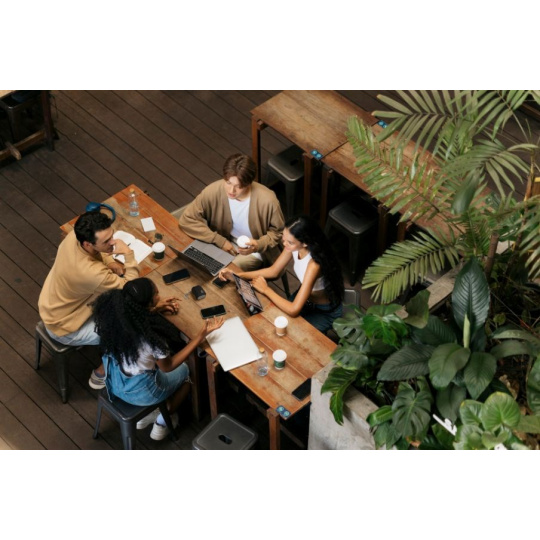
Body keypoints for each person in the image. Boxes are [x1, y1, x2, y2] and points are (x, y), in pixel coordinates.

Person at [93, 277, 224, 440]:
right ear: (147, 302)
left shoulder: (116, 322)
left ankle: (148, 413)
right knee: (188, 371)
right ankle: (163, 418)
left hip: (116, 383)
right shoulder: (152, 342)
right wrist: (199, 337)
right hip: (143, 392)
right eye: (156, 294)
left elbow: (136, 319)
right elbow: (168, 367)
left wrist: (153, 309)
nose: (159, 295)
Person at [38, 211, 140, 390]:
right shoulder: (91, 273)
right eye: (106, 242)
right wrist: (129, 255)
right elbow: (130, 287)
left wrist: (109, 260)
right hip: (65, 326)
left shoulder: (74, 237)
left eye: (112, 236)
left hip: (53, 306)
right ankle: (101, 374)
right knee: (131, 330)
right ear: (88, 243)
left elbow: (98, 254)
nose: (113, 242)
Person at [220, 215, 344, 334]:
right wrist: (238, 275)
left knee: (291, 334)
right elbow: (274, 271)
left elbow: (294, 309)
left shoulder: (313, 265)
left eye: (290, 242)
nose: (284, 244)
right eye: (284, 238)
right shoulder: (294, 246)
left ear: (305, 243)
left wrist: (266, 289)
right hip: (305, 300)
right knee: (275, 323)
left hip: (323, 311)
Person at [178, 153, 285, 271]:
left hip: (255, 250)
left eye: (238, 186)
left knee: (224, 271)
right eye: (228, 183)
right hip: (223, 240)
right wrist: (219, 241)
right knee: (195, 260)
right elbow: (187, 219)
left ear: (249, 183)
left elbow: (278, 232)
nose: (231, 190)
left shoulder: (268, 201)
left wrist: (257, 245)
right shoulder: (214, 190)